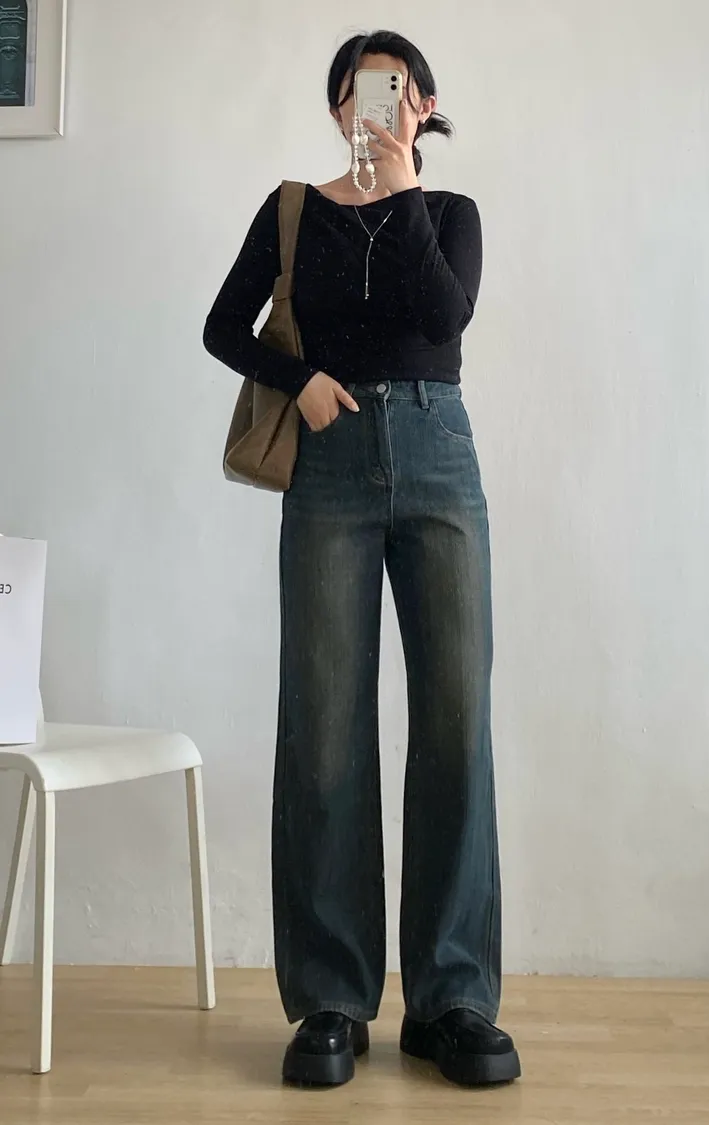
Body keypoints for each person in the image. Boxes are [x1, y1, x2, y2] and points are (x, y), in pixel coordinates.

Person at [203, 29, 521, 1089]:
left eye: (394, 89)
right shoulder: (294, 210)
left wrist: (404, 186)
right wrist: (297, 381)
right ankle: (331, 999)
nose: (374, 105)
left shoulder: (451, 212)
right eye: (357, 91)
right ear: (337, 108)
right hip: (331, 468)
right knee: (326, 729)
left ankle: (453, 999)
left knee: (456, 725)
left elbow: (446, 315)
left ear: (422, 103)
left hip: (439, 458)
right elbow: (223, 326)